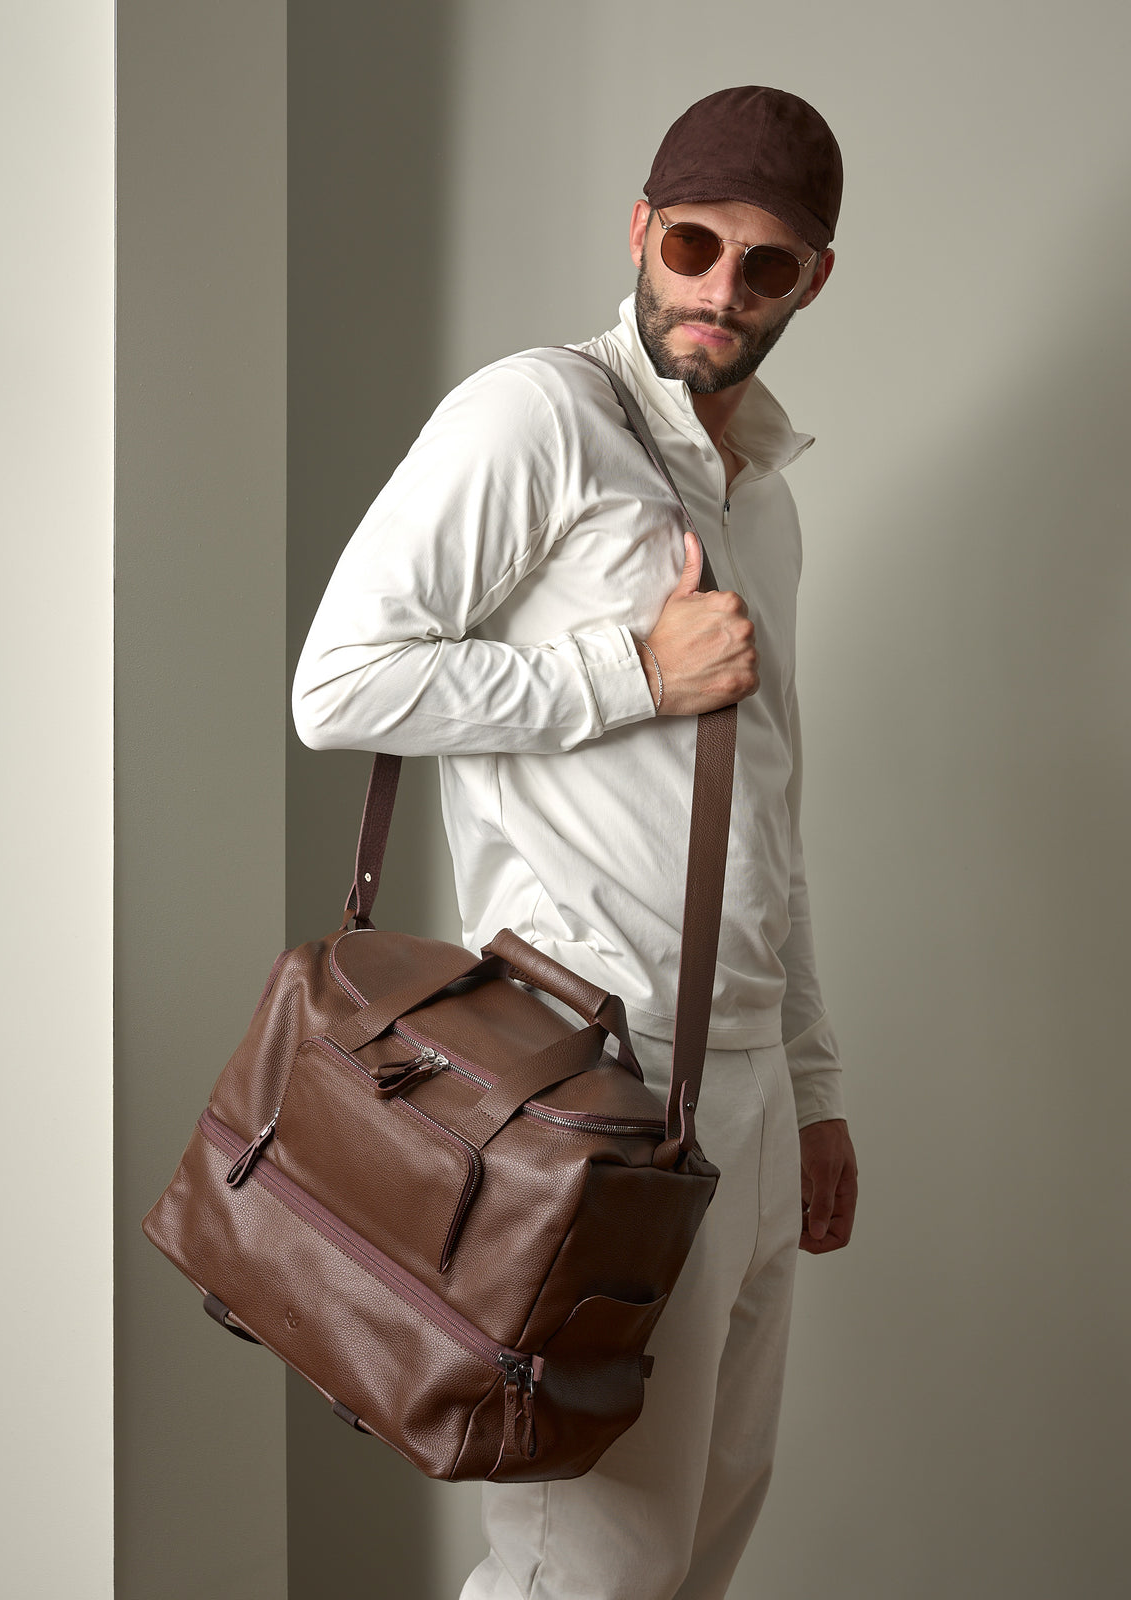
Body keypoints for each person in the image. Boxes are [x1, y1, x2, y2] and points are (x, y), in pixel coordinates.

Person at [293, 84, 858, 1600]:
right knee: (578, 1569)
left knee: (693, 1553)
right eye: (694, 245)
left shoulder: (764, 501)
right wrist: (632, 673)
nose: (719, 292)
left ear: (813, 278)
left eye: (768, 266)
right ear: (641, 232)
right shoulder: (535, 416)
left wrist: (811, 1083)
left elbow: (767, 806)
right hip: (586, 1080)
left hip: (736, 1093)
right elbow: (339, 683)